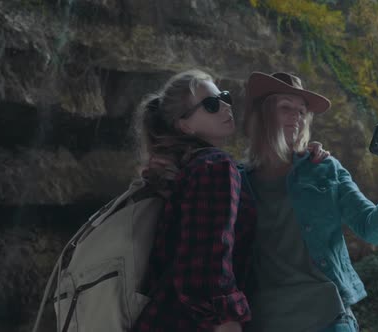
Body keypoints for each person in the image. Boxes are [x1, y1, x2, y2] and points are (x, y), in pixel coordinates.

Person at [131, 69, 329, 332]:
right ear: (185, 125)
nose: (225, 106)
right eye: (211, 104)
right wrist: (228, 321)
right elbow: (205, 268)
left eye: (223, 97)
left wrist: (303, 153)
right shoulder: (216, 166)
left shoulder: (190, 167)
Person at [241, 72, 378, 332]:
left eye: (302, 111)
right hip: (264, 320)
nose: (297, 117)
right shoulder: (235, 180)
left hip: (329, 317)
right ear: (262, 115)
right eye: (285, 107)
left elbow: (372, 230)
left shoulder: (324, 167)